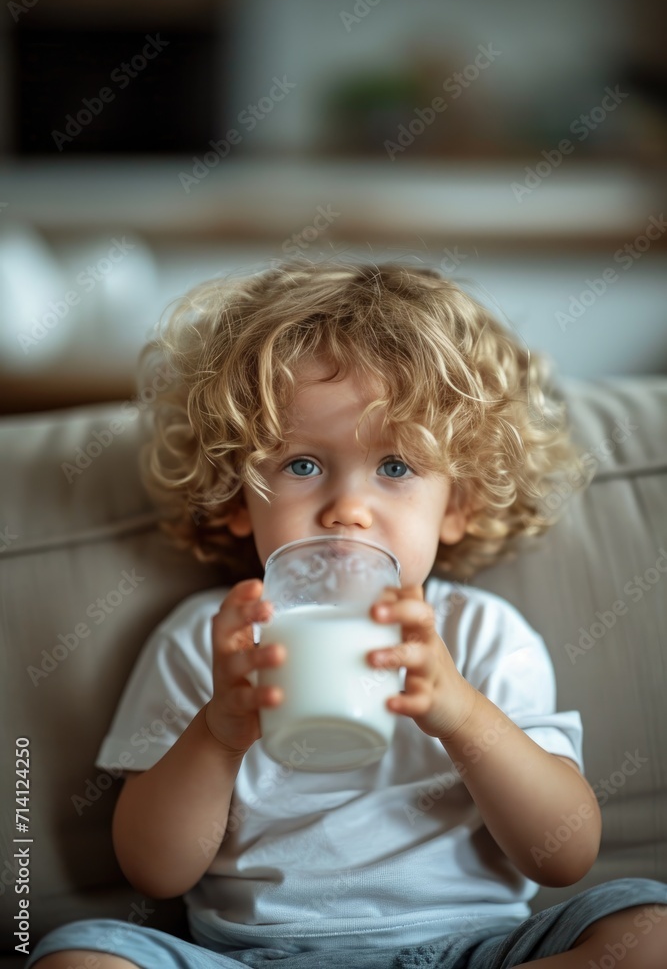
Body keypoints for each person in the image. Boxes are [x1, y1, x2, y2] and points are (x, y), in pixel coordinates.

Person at [28, 261, 667, 969]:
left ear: (456, 506)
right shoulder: (211, 640)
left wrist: (458, 711)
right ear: (238, 499)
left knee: (649, 930)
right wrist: (219, 732)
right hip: (254, 955)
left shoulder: (484, 636)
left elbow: (564, 855)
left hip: (474, 949)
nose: (346, 508)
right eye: (301, 465)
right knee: (77, 959)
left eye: (395, 467)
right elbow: (155, 871)